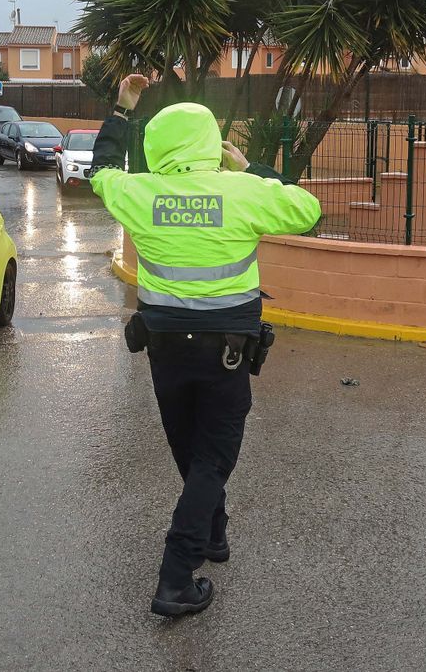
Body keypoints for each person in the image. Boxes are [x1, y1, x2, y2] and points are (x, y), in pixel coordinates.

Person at [90, 74, 321, 617]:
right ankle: (176, 576)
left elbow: (101, 169)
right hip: (226, 351)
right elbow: (307, 210)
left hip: (166, 350)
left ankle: (214, 532)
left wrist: (123, 108)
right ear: (208, 144)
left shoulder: (139, 193)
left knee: (191, 451)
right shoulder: (241, 192)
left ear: (158, 146)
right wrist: (250, 169)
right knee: (213, 458)